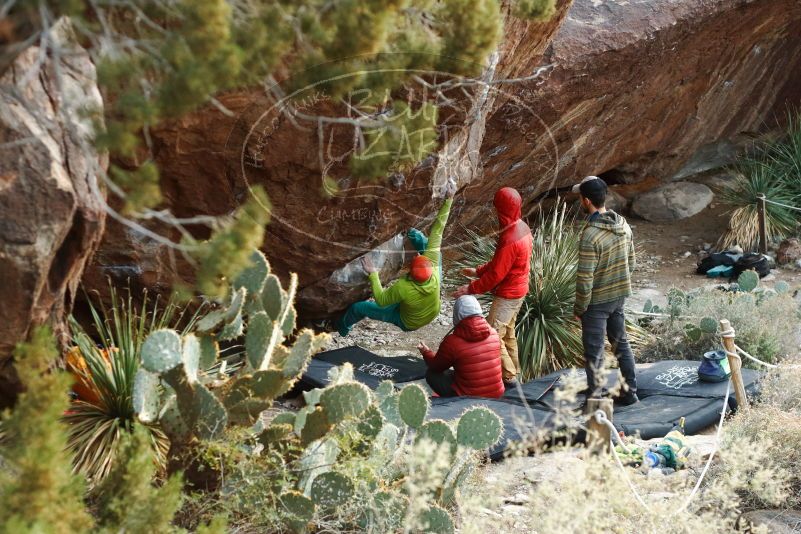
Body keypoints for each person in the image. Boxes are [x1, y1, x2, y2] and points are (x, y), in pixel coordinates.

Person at [337, 188, 454, 336]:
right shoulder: (434, 264)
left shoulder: (403, 287)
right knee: (435, 250)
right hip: (430, 310)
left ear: (410, 274)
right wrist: (448, 200)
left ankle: (341, 327)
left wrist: (373, 273)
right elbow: (438, 229)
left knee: (358, 308)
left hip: (407, 321)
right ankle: (411, 232)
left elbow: (381, 300)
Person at [453, 187, 532, 389]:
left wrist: (470, 289)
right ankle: (516, 372)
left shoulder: (509, 237)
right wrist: (477, 271)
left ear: (502, 209)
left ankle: (510, 379)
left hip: (508, 295)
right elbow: (500, 263)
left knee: (492, 335)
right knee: (508, 334)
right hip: (520, 291)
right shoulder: (522, 227)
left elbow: (497, 274)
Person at [571, 175, 638, 405]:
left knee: (594, 350)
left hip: (597, 303)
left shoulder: (590, 234)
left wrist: (580, 307)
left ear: (587, 201)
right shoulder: (623, 224)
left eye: (580, 197)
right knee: (621, 344)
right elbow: (632, 263)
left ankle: (596, 398)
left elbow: (585, 278)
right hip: (619, 297)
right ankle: (630, 392)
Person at [417, 295, 503, 398]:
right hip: (497, 394)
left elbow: (436, 366)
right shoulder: (494, 333)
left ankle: (454, 400)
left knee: (432, 374)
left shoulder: (453, 342)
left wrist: (426, 352)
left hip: (469, 398)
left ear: (457, 315)